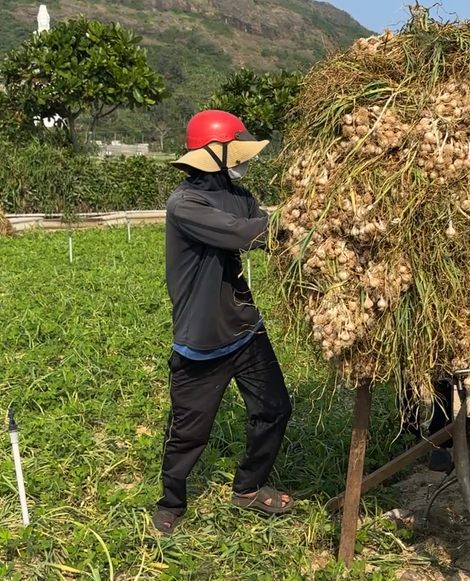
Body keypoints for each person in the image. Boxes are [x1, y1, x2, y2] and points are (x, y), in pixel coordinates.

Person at [152, 110, 294, 536]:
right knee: (189, 433)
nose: (244, 162)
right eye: (238, 153)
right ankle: (171, 502)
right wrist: (294, 224)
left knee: (274, 409)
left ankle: (248, 488)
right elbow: (244, 234)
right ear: (215, 152)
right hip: (203, 339)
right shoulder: (186, 204)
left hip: (245, 329)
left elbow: (261, 226)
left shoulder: (240, 194)